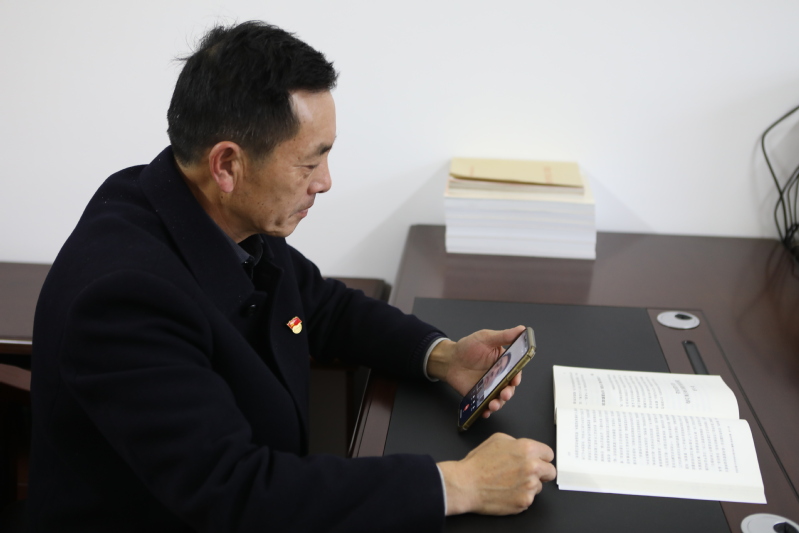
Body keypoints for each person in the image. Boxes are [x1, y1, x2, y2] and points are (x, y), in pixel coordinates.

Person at [29, 21, 556, 532]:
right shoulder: (124, 300)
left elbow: (321, 305)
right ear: (227, 166)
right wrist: (458, 485)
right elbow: (234, 493)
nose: (325, 182)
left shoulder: (217, 210)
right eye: (309, 163)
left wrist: (443, 356)